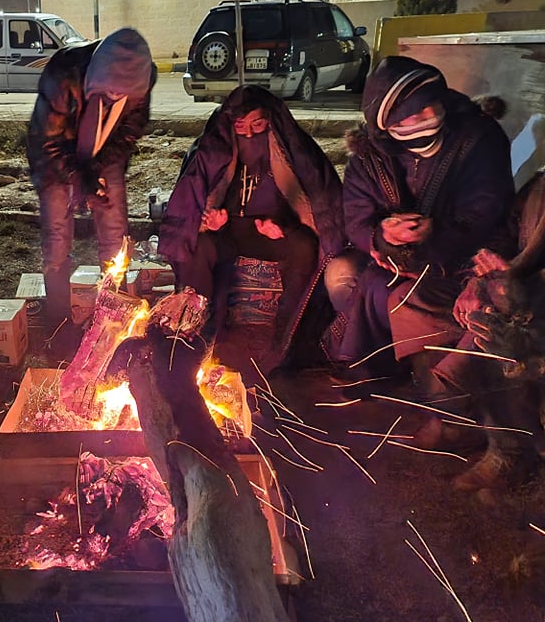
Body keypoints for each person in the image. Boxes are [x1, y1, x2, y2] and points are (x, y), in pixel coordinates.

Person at [323, 56, 516, 386]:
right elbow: (356, 219)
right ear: (388, 125)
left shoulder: (477, 139)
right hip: (390, 259)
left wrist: (432, 233)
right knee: (344, 276)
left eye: (431, 105)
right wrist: (383, 235)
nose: (427, 117)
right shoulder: (370, 155)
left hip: (461, 255)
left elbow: (484, 212)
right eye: (413, 114)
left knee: (402, 296)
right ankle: (377, 365)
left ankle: (434, 385)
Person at [159, 85, 345, 370]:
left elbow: (312, 203)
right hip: (228, 230)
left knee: (305, 247)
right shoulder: (214, 150)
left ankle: (286, 334)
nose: (248, 134)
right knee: (199, 249)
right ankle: (198, 331)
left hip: (270, 232)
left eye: (257, 125)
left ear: (270, 121)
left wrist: (283, 226)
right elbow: (192, 202)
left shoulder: (290, 149)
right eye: (241, 126)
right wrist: (211, 222)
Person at [420, 168, 545, 492]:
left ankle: (511, 452)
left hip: (534, 302)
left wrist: (511, 282)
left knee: (502, 329)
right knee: (416, 298)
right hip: (519, 289)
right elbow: (504, 237)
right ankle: (463, 418)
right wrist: (482, 277)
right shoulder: (540, 185)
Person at [27, 27, 156, 329]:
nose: (115, 96)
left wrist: (97, 172)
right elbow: (47, 142)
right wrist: (79, 177)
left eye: (124, 93)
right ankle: (59, 318)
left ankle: (113, 312)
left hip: (104, 154)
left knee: (114, 228)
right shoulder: (64, 73)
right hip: (54, 157)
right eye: (109, 89)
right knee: (57, 235)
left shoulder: (141, 80)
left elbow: (127, 134)